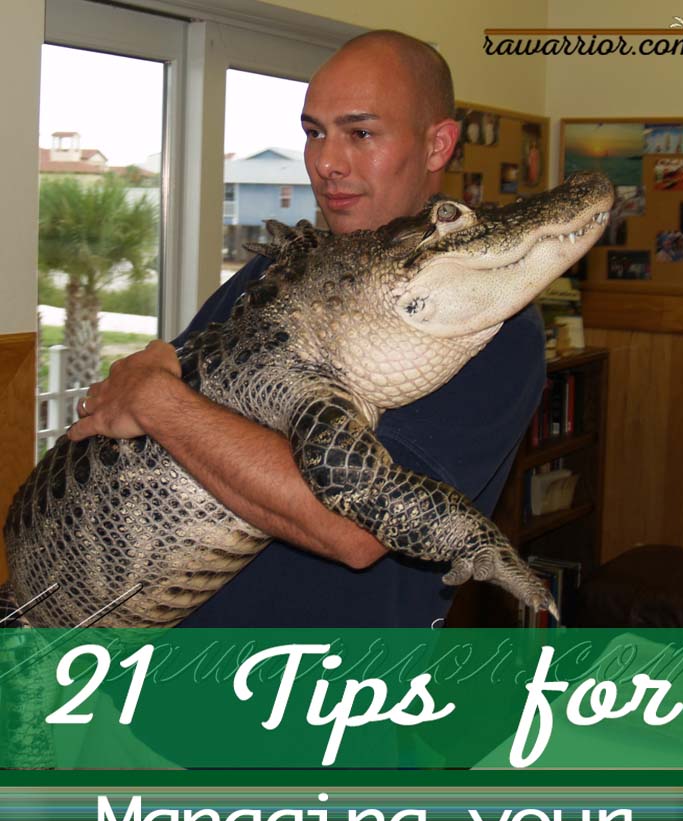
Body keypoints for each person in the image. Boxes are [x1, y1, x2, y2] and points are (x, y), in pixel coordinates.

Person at [68, 29, 546, 628]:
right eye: (314, 132)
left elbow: (352, 529)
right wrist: (151, 387)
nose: (325, 163)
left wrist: (157, 401)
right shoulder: (282, 269)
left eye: (360, 133)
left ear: (437, 145)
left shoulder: (495, 322)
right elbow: (166, 389)